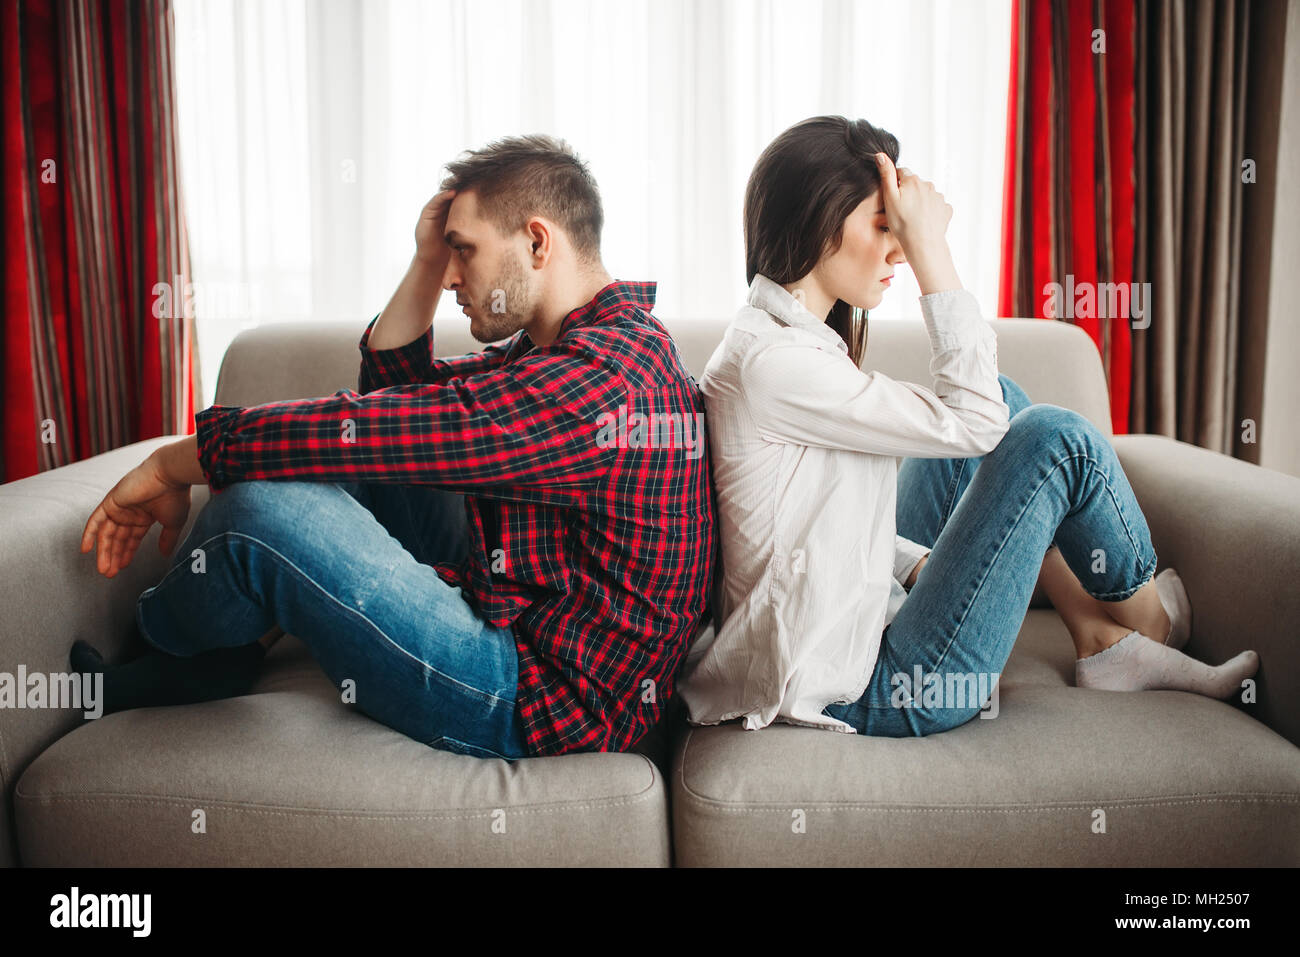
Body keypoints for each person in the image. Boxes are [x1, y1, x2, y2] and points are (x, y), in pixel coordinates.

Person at [74, 134, 715, 760]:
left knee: (258, 517)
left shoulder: (596, 385)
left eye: (462, 251)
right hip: (515, 614)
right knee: (350, 464)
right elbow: (395, 399)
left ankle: (172, 653)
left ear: (537, 242)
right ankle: (219, 649)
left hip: (538, 695)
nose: (455, 277)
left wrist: (171, 462)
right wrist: (425, 262)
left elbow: (385, 430)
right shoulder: (577, 348)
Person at [677, 115, 1258, 737]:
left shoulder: (781, 339)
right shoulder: (775, 364)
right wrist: (933, 251)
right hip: (874, 689)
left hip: (861, 630)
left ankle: (1100, 640)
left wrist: (917, 564)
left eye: (901, 231)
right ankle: (1153, 625)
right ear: (819, 224)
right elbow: (975, 422)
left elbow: (810, 530)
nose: (897, 247)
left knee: (1005, 399)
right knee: (1054, 442)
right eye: (884, 226)